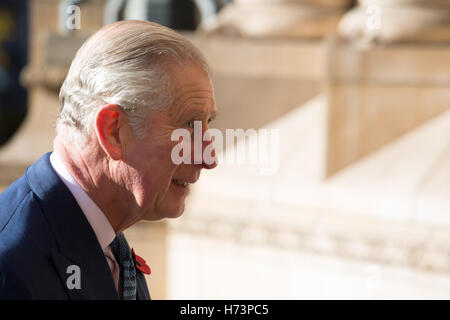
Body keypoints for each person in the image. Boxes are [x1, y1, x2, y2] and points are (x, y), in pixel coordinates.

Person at [0, 20, 217, 299]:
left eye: (208, 122)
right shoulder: (12, 266)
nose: (209, 158)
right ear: (113, 132)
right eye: (189, 124)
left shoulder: (110, 246)